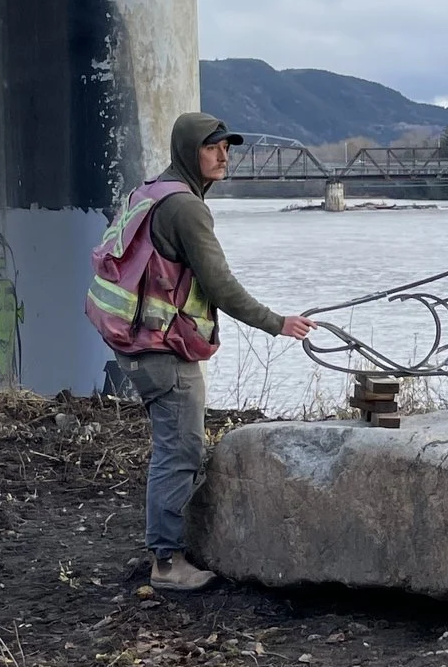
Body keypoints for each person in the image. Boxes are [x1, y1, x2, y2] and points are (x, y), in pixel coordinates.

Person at [87, 113, 314, 592]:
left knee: (174, 446)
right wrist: (278, 323)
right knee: (179, 449)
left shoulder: (148, 191)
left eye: (227, 147)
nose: (223, 155)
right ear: (191, 151)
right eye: (213, 147)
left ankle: (170, 548)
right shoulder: (187, 208)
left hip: (136, 340)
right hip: (161, 350)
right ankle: (167, 564)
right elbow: (220, 285)